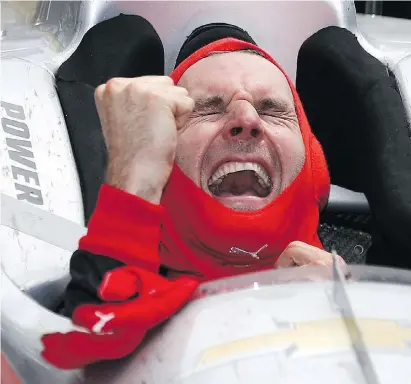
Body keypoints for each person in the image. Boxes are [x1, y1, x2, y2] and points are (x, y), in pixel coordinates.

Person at [41, 23, 345, 370]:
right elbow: (79, 359)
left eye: (272, 109)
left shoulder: (371, 286)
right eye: (208, 108)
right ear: (165, 150)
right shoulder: (68, 290)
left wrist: (347, 311)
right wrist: (135, 176)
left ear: (312, 162)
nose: (246, 119)